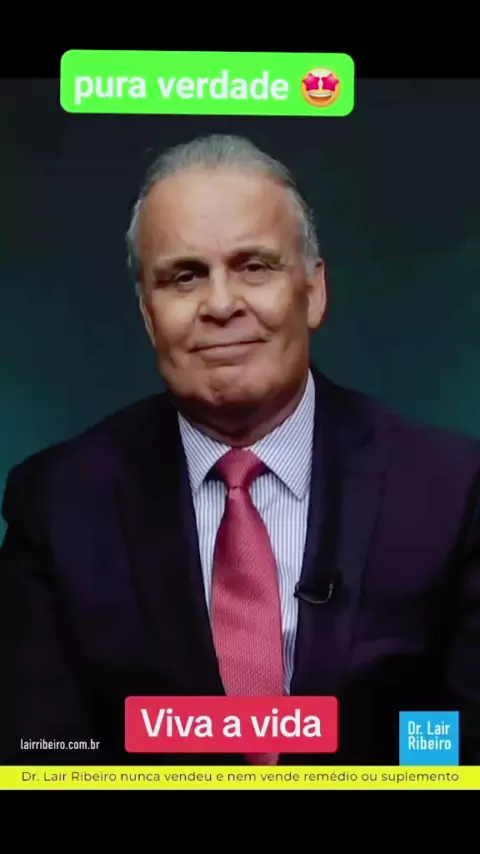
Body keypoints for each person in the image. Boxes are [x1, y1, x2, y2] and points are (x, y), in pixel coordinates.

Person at [1, 134, 479, 767]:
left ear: (314, 291)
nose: (222, 305)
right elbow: (43, 762)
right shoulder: (56, 505)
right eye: (185, 276)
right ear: (148, 315)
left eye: (254, 266)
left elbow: (464, 757)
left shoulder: (453, 491)